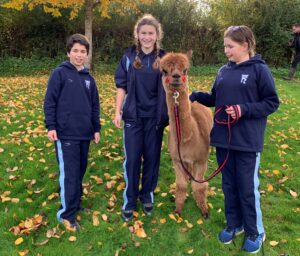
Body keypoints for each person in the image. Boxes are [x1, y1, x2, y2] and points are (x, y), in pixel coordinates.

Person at [190, 25, 279, 254]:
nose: (226, 51)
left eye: (230, 46)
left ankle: (254, 231)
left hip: (247, 141)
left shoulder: (260, 71)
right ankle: (235, 224)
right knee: (229, 186)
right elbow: (215, 98)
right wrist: (195, 96)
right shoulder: (223, 71)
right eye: (224, 46)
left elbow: (271, 102)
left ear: (245, 45)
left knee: (247, 188)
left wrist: (244, 109)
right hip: (223, 139)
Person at [114, 14, 168, 222]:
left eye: (150, 33)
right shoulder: (128, 57)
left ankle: (147, 195)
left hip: (155, 119)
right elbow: (121, 87)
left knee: (152, 159)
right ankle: (130, 199)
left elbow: (175, 84)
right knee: (133, 159)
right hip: (133, 118)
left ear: (157, 35)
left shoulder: (163, 58)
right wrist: (117, 111)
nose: (147, 37)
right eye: (143, 33)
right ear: (137, 34)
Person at [44, 34, 101, 231]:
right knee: (69, 174)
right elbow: (49, 102)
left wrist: (96, 129)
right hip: (65, 134)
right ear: (68, 52)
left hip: (84, 134)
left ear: (87, 54)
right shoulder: (59, 74)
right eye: (75, 51)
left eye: (83, 51)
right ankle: (66, 215)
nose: (79, 55)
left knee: (80, 171)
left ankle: (75, 204)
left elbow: (95, 106)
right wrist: (51, 126)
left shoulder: (89, 79)